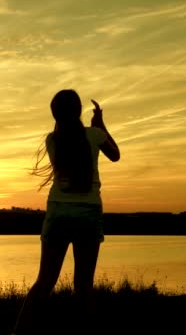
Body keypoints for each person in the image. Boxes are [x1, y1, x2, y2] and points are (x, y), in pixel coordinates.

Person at [12, 89, 120, 334]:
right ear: (78, 110)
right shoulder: (94, 135)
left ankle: (18, 332)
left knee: (44, 282)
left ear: (55, 113)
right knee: (83, 286)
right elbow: (115, 155)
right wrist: (101, 124)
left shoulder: (52, 139)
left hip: (58, 214)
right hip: (89, 214)